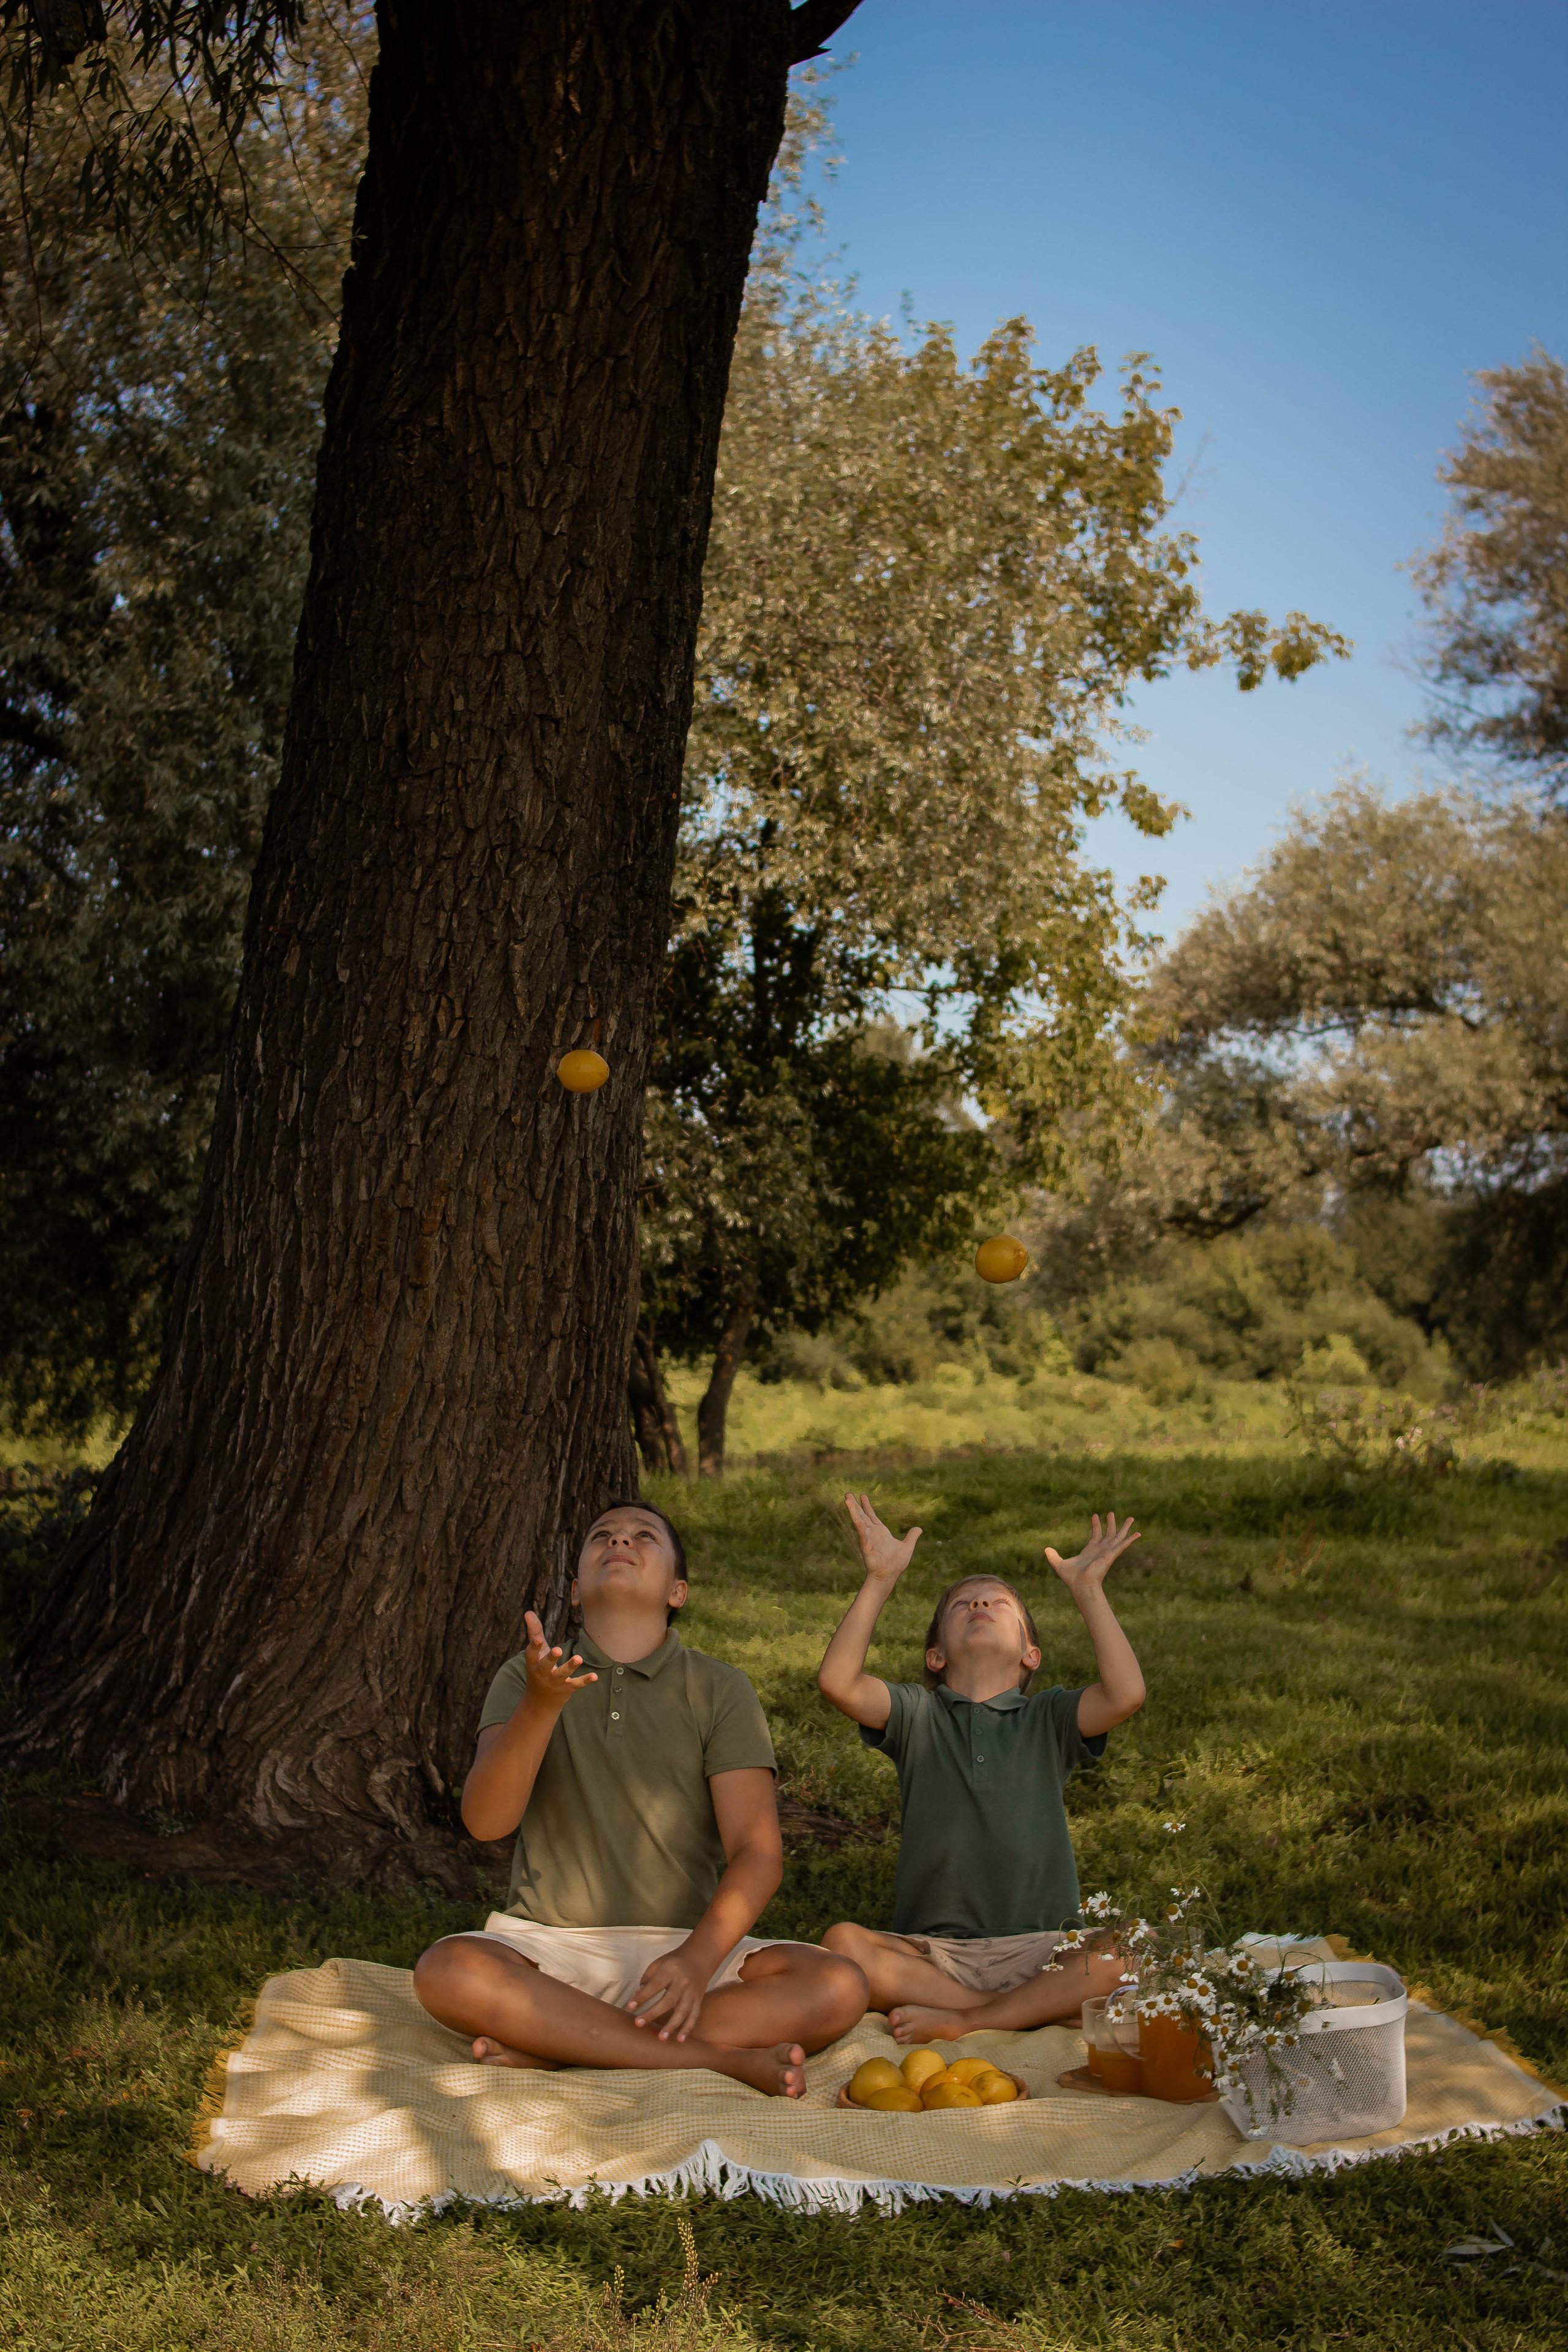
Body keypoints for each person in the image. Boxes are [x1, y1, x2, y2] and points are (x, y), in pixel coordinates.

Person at [412, 1500, 865, 2097]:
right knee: (445, 1972)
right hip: (550, 1951)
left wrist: (698, 1962)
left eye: (643, 1536)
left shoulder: (719, 1687)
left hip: (687, 1953)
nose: (619, 1541)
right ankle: (714, 2059)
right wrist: (543, 1707)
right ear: (575, 1591)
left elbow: (757, 1849)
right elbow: (486, 1822)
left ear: (677, 1590)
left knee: (838, 1986)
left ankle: (566, 2044)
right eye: (602, 1535)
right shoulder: (524, 1679)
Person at [817, 1493, 1145, 2043]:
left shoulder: (1050, 1717)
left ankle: (973, 2018)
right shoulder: (916, 1715)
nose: (980, 1606)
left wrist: (1088, 1590)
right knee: (842, 1945)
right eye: (962, 1605)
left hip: (1048, 1945)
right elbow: (839, 1683)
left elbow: (1126, 1693)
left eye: (999, 1604)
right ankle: (1018, 2010)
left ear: (1031, 1655)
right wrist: (879, 1579)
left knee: (1133, 1948)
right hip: (935, 1954)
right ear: (935, 1658)